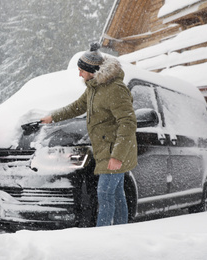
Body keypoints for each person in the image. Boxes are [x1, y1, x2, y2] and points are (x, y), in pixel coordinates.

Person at [41, 43, 137, 227]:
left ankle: (101, 235)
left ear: (91, 69)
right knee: (116, 194)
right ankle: (121, 232)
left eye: (81, 70)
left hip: (115, 150)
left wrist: (117, 156)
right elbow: (77, 106)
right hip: (104, 149)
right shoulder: (94, 88)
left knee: (105, 193)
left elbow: (128, 123)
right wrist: (53, 117)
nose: (79, 74)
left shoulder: (115, 89)